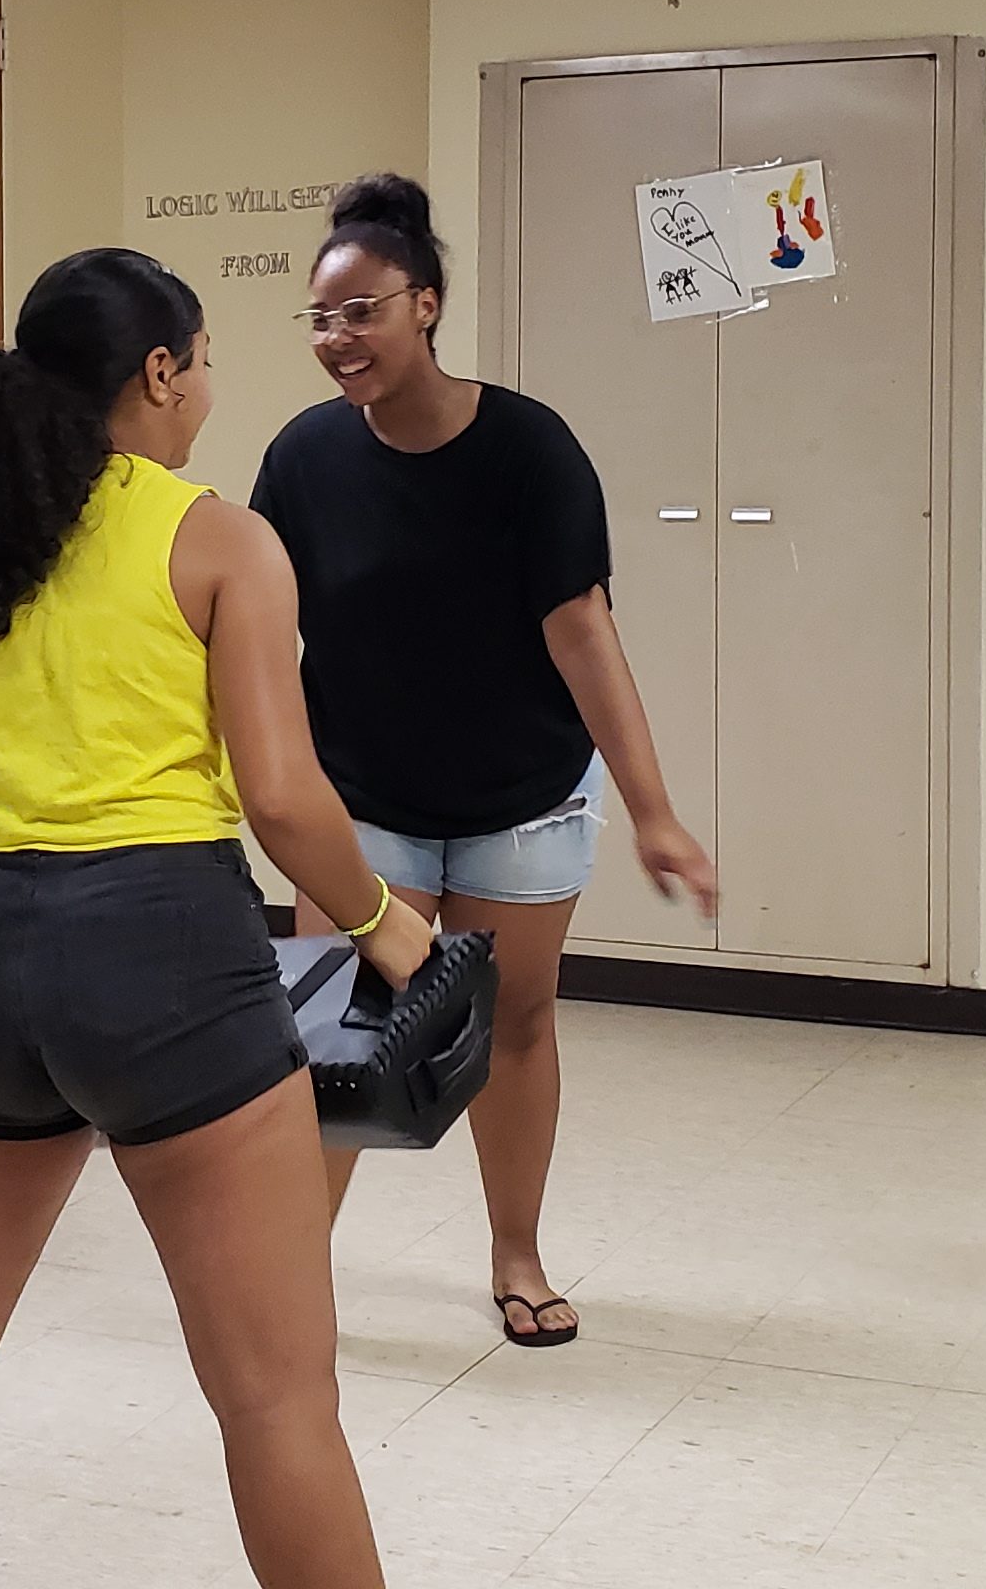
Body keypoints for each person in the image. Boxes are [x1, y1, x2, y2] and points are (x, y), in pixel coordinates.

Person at [0, 247, 440, 1589]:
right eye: (200, 359)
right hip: (168, 962)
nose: (207, 384)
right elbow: (285, 801)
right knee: (275, 1399)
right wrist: (394, 930)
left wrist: (16, 919)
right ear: (157, 372)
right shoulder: (216, 537)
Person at [250, 172, 717, 1349]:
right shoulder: (303, 459)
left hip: (524, 792)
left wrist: (655, 811)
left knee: (513, 1023)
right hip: (360, 794)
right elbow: (255, 634)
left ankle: (517, 1251)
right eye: (321, 317)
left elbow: (584, 635)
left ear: (429, 306)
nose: (337, 339)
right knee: (347, 1025)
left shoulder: (528, 449)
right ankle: (289, 1279)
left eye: (363, 312)